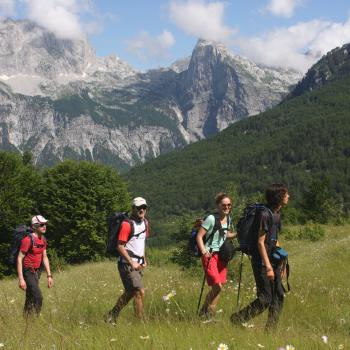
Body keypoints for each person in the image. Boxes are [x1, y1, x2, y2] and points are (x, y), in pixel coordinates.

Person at [230, 183, 290, 331]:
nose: (289, 196)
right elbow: (260, 242)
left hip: (273, 260)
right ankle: (237, 319)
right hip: (261, 261)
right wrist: (268, 266)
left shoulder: (277, 213)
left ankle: (270, 331)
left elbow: (275, 239)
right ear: (279, 196)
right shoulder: (264, 214)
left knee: (279, 295)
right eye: (286, 194)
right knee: (265, 298)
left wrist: (281, 262)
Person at [105, 197, 150, 323]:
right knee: (139, 291)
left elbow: (142, 242)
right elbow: (119, 246)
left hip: (138, 263)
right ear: (133, 208)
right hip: (127, 264)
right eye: (139, 207)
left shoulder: (145, 223)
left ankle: (111, 315)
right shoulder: (127, 224)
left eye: (144, 207)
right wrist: (132, 262)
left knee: (130, 292)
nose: (142, 210)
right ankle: (139, 323)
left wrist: (143, 259)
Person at [196, 192, 236, 319]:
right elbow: (199, 236)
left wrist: (238, 234)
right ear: (218, 205)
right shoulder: (211, 219)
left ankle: (210, 315)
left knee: (219, 287)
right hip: (210, 255)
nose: (227, 207)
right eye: (224, 205)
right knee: (217, 287)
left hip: (222, 256)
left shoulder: (228, 219)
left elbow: (225, 235)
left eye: (229, 205)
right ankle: (203, 312)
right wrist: (203, 251)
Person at [17, 215, 53, 317]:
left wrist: (49, 276)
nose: (44, 226)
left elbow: (45, 257)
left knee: (30, 297)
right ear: (34, 227)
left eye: (45, 224)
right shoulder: (27, 240)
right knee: (38, 297)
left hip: (37, 271)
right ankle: (34, 320)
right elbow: (19, 259)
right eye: (41, 224)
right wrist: (21, 279)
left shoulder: (43, 239)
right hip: (28, 271)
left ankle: (26, 320)